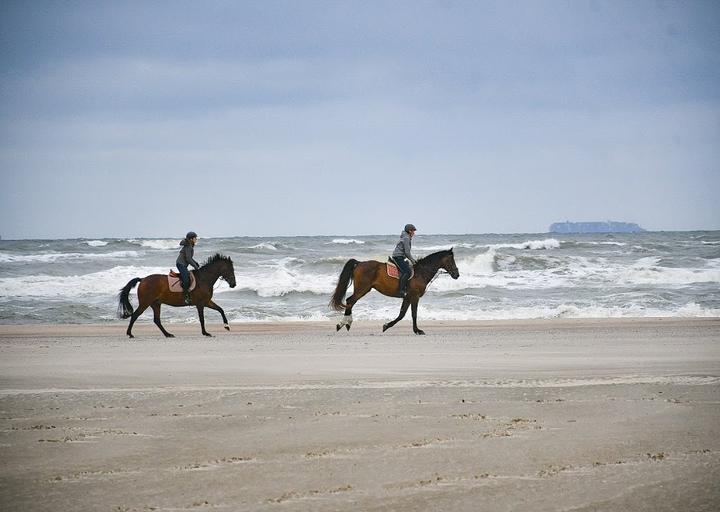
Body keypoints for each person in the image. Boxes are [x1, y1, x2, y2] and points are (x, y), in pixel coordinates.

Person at [391, 223, 417, 297]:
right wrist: (413, 260)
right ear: (409, 231)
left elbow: (406, 253)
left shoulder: (406, 236)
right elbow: (407, 252)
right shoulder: (406, 238)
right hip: (398, 257)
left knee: (409, 267)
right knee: (407, 271)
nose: (414, 233)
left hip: (400, 256)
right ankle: (401, 290)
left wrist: (411, 260)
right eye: (413, 231)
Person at [176, 231, 200, 304]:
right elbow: (188, 259)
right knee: (186, 280)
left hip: (183, 264)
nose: (196, 239)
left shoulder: (189, 245)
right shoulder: (188, 246)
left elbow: (189, 258)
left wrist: (196, 263)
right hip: (181, 264)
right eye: (195, 238)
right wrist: (195, 267)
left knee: (188, 277)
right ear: (191, 239)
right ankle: (185, 297)